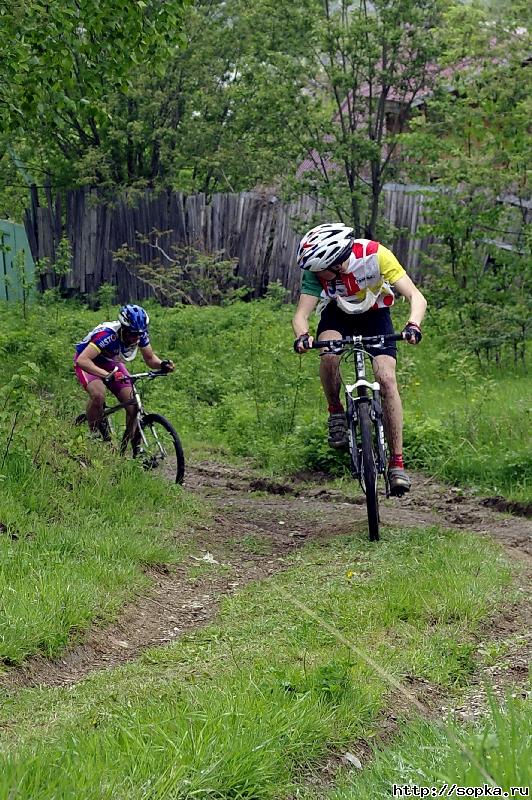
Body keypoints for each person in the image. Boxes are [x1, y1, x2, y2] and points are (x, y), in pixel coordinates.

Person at [292, 223, 426, 495]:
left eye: (321, 270)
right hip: (338, 314)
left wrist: (413, 324)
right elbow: (301, 315)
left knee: (386, 380)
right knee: (328, 356)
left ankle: (397, 464)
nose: (317, 275)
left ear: (337, 263)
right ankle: (336, 413)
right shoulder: (315, 269)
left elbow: (415, 296)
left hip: (376, 315)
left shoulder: (375, 255)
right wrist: (303, 335)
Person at [74, 303, 174, 451]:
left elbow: (150, 359)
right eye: (133, 334)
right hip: (89, 361)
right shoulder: (107, 335)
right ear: (124, 328)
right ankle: (93, 434)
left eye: (139, 334)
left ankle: (132, 449)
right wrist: (106, 375)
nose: (136, 338)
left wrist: (162, 364)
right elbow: (82, 360)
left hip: (110, 362)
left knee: (133, 406)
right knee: (98, 395)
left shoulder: (140, 335)